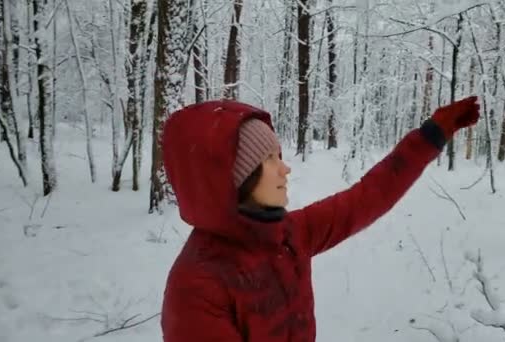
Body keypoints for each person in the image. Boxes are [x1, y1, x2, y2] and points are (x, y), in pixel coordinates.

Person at [160, 96, 480, 342]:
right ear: (233, 181)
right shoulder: (196, 287)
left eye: (279, 156)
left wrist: (431, 136)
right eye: (269, 160)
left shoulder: (289, 235)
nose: (284, 169)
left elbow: (368, 196)